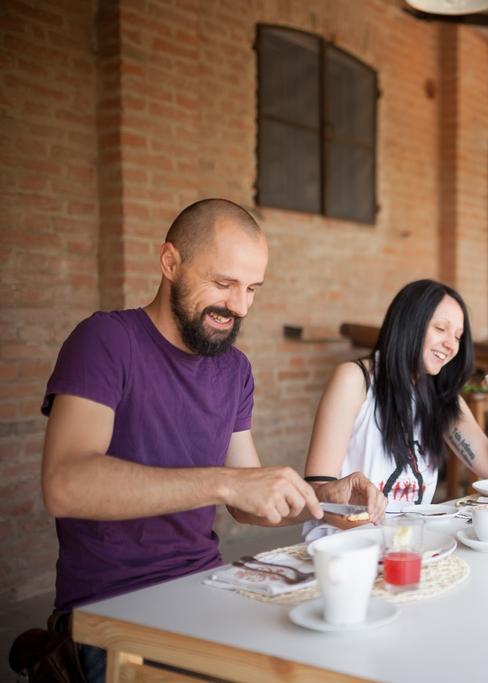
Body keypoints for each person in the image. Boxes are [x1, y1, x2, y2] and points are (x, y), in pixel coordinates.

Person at [38, 198, 385, 681]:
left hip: (208, 585)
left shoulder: (234, 370)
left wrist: (324, 499)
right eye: (223, 284)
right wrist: (223, 484)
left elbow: (246, 501)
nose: (239, 306)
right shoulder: (105, 341)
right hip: (110, 609)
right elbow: (64, 484)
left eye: (252, 289)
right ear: (170, 263)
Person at [303, 279, 488, 540]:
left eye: (457, 336)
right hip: (347, 546)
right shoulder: (355, 380)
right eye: (440, 329)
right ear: (408, 324)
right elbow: (317, 491)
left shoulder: (441, 398)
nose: (451, 345)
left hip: (408, 546)